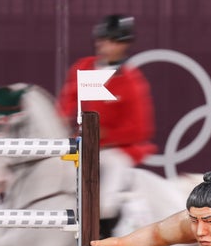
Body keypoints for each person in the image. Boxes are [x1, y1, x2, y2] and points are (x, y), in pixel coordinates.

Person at [57, 14, 156, 221]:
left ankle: (102, 238)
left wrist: (103, 135)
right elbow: (66, 104)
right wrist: (67, 122)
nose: (103, 44)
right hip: (80, 144)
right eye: (101, 39)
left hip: (115, 151)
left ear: (123, 45)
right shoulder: (82, 67)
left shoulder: (132, 81)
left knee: (106, 202)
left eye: (111, 40)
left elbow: (139, 129)